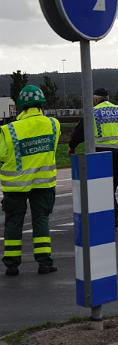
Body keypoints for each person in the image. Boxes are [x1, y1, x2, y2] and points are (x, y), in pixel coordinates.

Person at [0, 86, 60, 276]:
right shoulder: (53, 124)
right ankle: (44, 263)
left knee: (13, 222)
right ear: (41, 104)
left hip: (15, 186)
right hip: (43, 184)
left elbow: (2, 156)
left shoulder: (8, 130)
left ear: (21, 107)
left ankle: (11, 264)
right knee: (41, 220)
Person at [69, 88, 118, 227]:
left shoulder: (93, 111)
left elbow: (80, 131)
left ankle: (112, 216)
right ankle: (112, 216)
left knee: (103, 187)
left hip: (100, 153)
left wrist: (72, 146)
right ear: (107, 97)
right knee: (110, 185)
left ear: (96, 98)